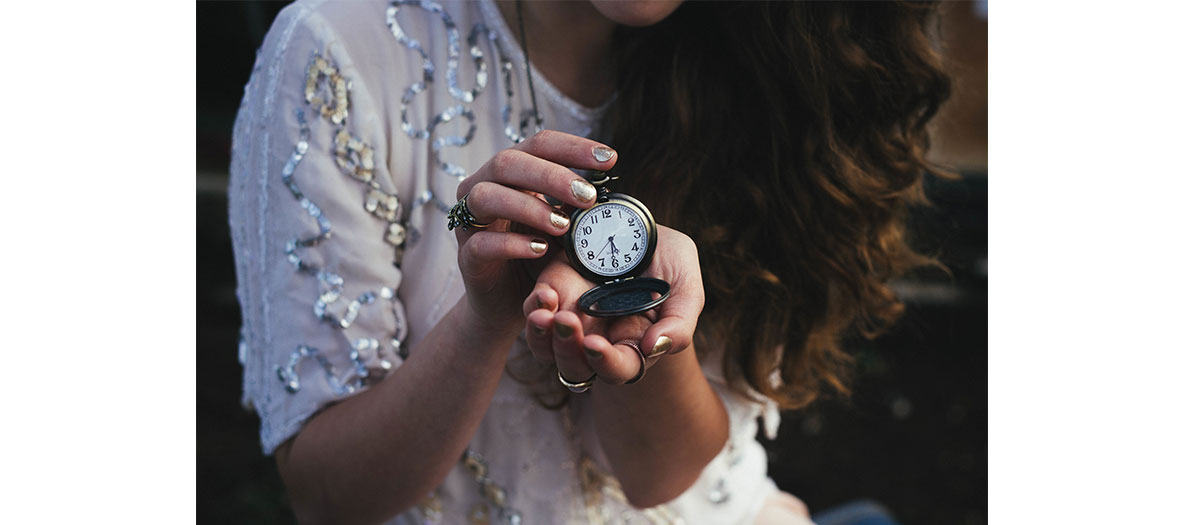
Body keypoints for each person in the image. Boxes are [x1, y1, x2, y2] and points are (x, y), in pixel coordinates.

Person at [229, 0, 950, 523]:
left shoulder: (770, 67)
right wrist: (484, 320)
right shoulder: (339, 53)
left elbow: (660, 477)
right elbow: (329, 497)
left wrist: (644, 334)